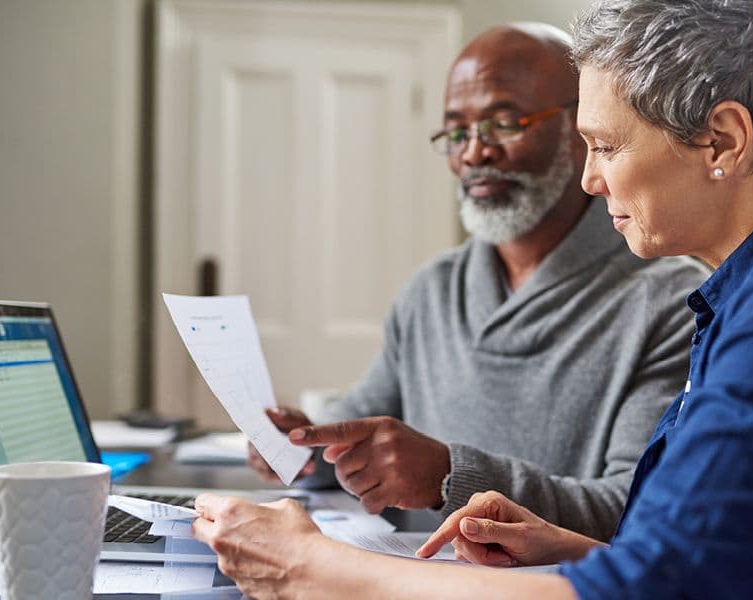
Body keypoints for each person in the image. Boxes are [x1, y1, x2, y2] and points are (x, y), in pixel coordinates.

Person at [193, 0, 753, 597]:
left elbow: (668, 590)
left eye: (608, 146)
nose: (591, 180)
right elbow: (739, 567)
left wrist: (316, 573)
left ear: (721, 140)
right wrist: (572, 550)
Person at [247, 22, 709, 541]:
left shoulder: (672, 302)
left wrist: (450, 476)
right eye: (457, 132)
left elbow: (635, 505)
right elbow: (359, 435)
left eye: (503, 123)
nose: (473, 153)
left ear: (582, 130)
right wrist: (305, 446)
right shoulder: (432, 292)